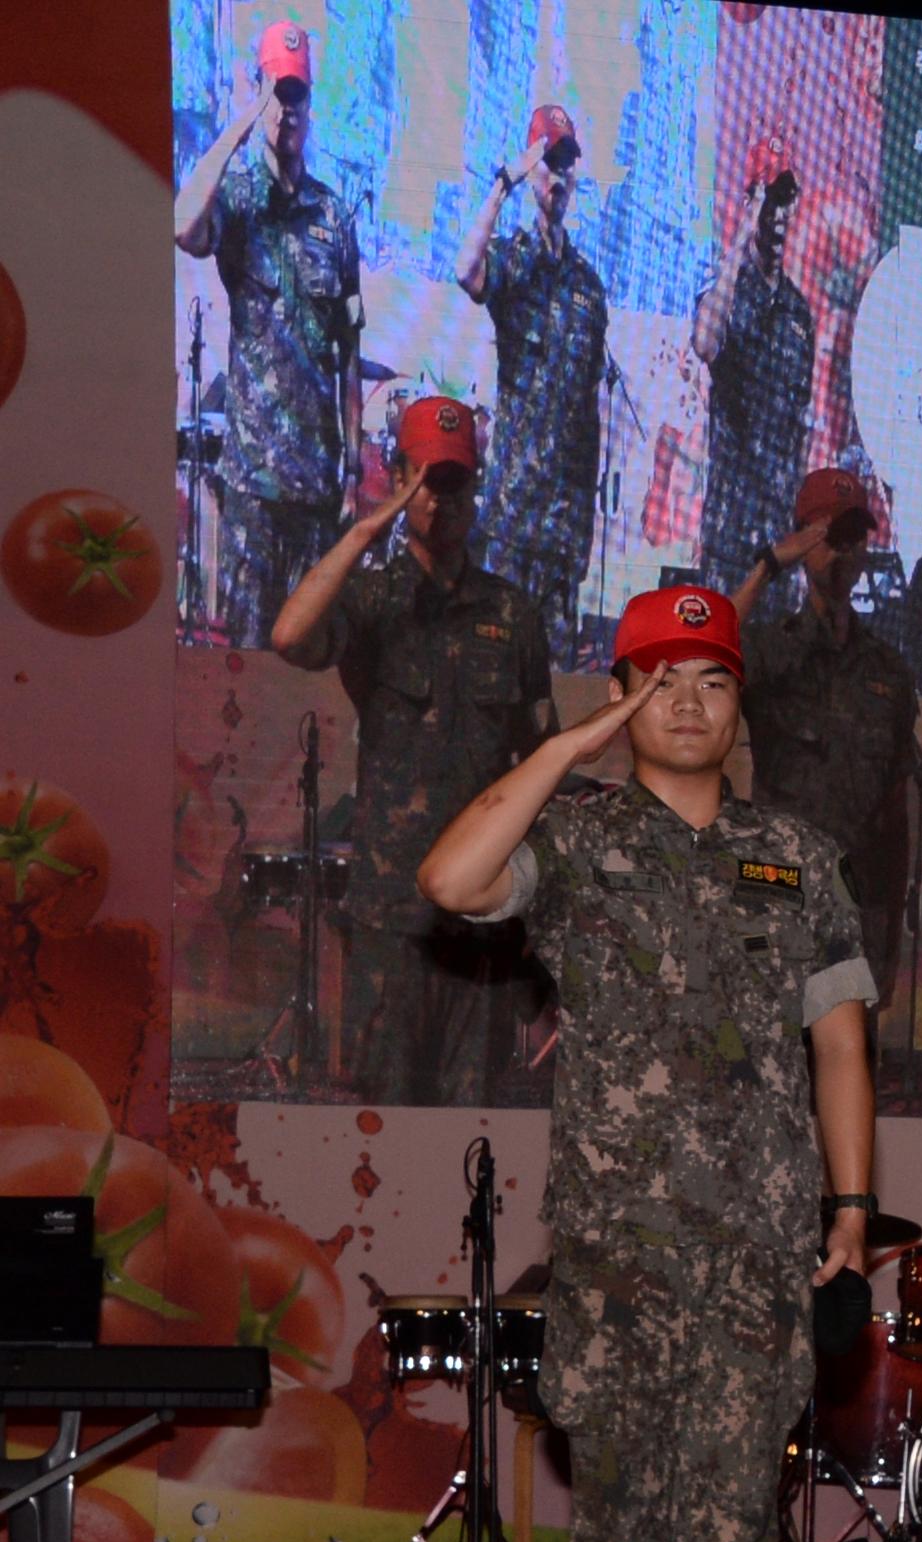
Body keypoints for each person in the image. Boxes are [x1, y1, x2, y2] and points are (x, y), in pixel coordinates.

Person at [416, 586, 877, 1542]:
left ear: (740, 708)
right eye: (657, 679)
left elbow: (840, 1043)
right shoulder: (576, 843)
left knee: (733, 1515)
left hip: (756, 1248)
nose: (687, 703)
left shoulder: (798, 854)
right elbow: (450, 877)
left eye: (711, 681)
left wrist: (847, 1209)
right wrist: (566, 747)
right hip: (618, 1251)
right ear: (623, 701)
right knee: (618, 1511)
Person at [269, 396, 555, 1105]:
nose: (442, 500)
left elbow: (540, 759)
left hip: (482, 921)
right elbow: (290, 637)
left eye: (456, 483)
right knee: (385, 1131)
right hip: (390, 925)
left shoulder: (513, 616)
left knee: (473, 1136)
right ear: (398, 477)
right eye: (427, 479)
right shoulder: (374, 601)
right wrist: (368, 528)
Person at [174, 18, 362, 646]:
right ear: (261, 93)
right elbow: (182, 227)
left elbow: (349, 351)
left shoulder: (334, 216)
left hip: (316, 490)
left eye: (296, 95)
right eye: (277, 93)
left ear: (310, 105)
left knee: (309, 662)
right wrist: (241, 121)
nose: (287, 111)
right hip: (253, 487)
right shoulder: (240, 199)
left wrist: (356, 469)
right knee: (248, 663)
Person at [735, 468, 922, 998]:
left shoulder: (888, 672)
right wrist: (770, 565)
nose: (842, 553)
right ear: (804, 537)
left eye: (854, 539)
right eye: (829, 535)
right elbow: (705, 659)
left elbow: (894, 816)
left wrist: (889, 933)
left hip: (854, 901)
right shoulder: (772, 650)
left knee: (847, 1071)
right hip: (776, 892)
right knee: (773, 1067)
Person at [454, 102, 609, 650]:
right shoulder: (514, 261)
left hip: (563, 531)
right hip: (514, 521)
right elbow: (466, 273)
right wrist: (503, 184)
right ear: (532, 169)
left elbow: (592, 411)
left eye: (567, 164)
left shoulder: (588, 288)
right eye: (549, 161)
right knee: (497, 669)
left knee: (557, 684)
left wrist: (586, 527)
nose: (559, 175)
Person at [690, 135, 816, 598]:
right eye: (769, 200)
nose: (779, 215)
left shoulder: (799, 313)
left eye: (787, 201)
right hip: (730, 538)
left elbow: (802, 427)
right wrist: (742, 232)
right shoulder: (725, 291)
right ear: (750, 203)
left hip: (779, 541)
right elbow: (705, 343)